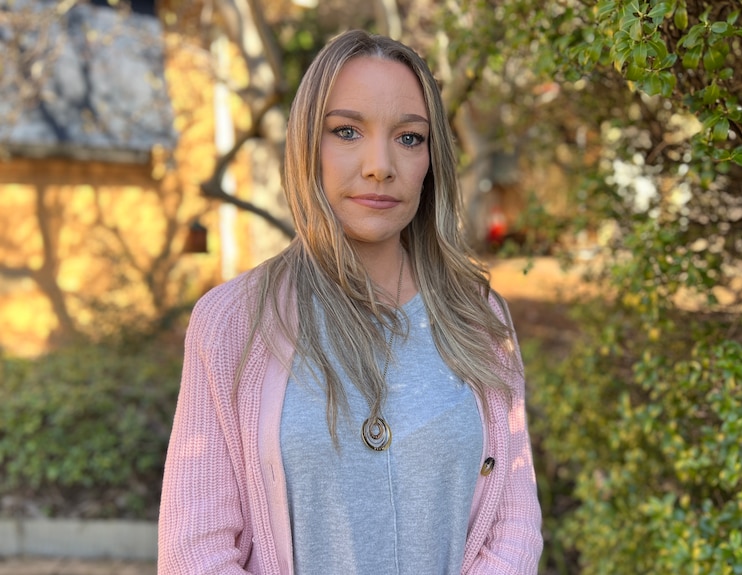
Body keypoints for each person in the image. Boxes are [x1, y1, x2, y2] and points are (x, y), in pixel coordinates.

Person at [157, 29, 543, 574]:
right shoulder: (230, 324)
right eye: (346, 131)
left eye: (409, 138)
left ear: (432, 160)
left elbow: (514, 525)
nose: (379, 165)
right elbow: (196, 553)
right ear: (306, 145)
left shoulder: (482, 318)